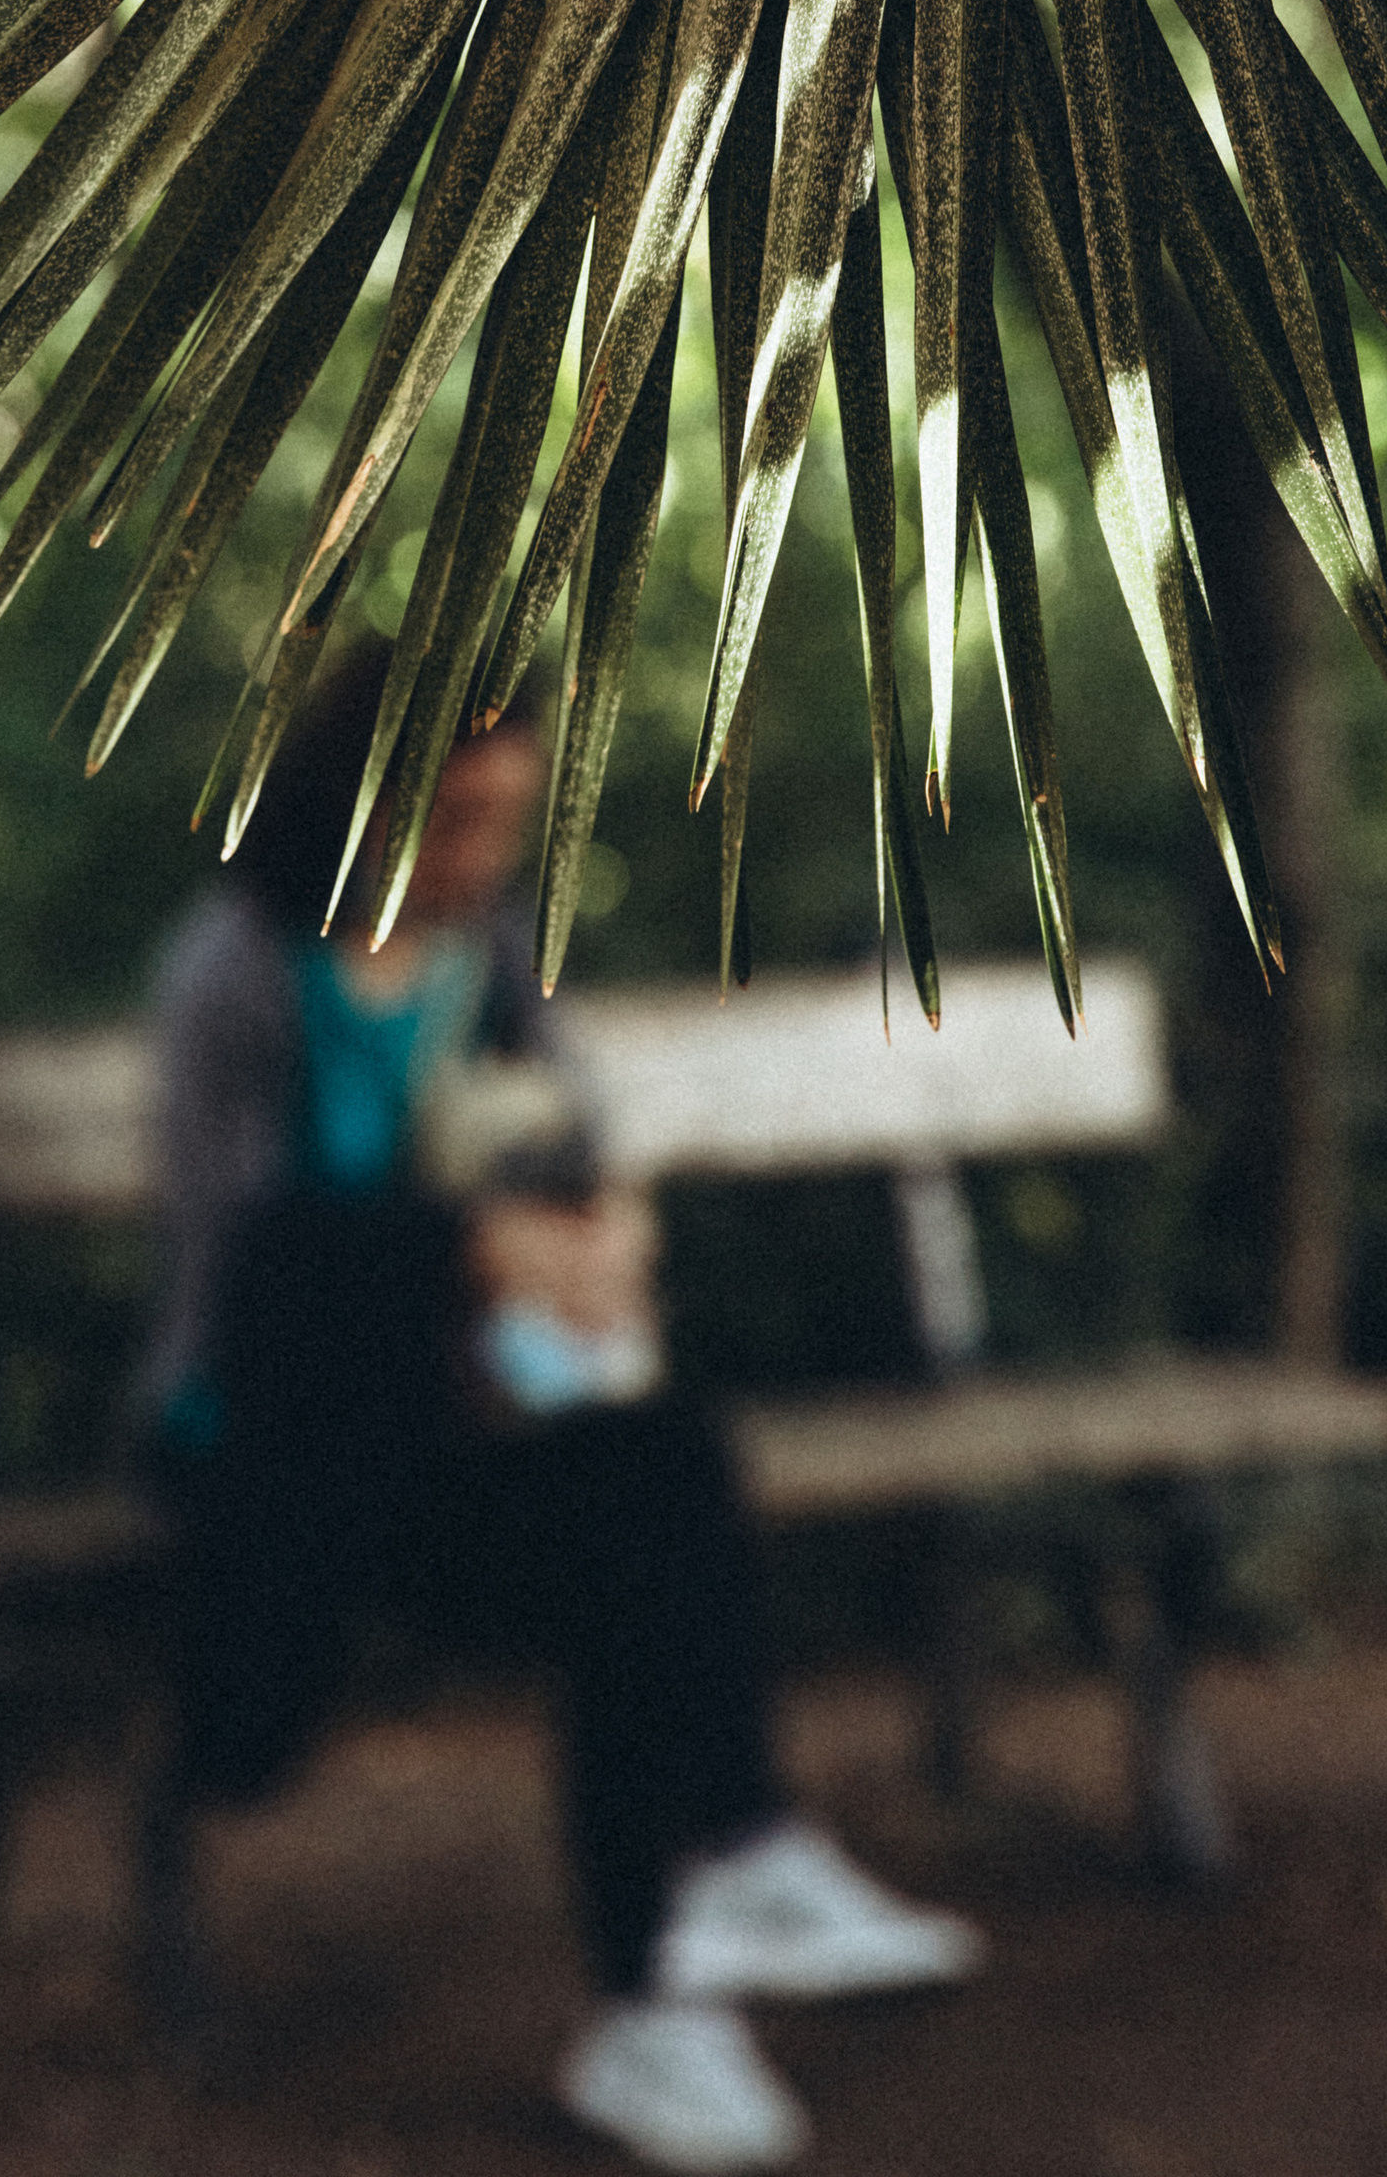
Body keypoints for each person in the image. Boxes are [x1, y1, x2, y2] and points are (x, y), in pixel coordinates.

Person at [139, 635, 983, 2174]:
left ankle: (691, 1941)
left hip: (468, 1422)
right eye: (451, 818)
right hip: (275, 1454)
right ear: (359, 801)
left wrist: (606, 1234)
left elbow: (569, 1149)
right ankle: (695, 1914)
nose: (478, 853)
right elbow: (244, 1276)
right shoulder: (240, 972)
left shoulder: (494, 956)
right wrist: (468, 1244)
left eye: (501, 820)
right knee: (629, 1508)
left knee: (654, 1476)